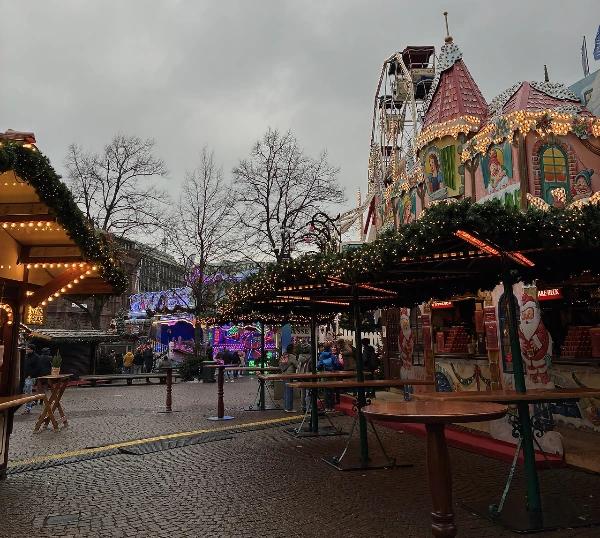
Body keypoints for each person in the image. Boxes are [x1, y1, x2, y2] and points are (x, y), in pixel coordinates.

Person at [317, 344, 340, 411]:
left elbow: (319, 366)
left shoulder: (321, 356)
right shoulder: (332, 355)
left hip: (324, 374)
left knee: (326, 390)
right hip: (332, 373)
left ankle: (326, 406)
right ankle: (332, 406)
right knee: (332, 390)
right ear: (330, 348)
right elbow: (336, 364)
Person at [279, 344, 298, 412]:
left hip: (284, 374)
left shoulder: (284, 355)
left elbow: (280, 365)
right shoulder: (292, 356)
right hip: (289, 374)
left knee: (286, 391)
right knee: (289, 391)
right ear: (292, 349)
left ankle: (286, 406)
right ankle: (289, 408)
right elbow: (297, 365)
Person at [22, 343, 40, 414]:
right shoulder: (26, 357)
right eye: (27, 349)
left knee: (28, 392)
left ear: (32, 350)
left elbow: (38, 368)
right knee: (25, 391)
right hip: (24, 376)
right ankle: (31, 402)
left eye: (28, 349)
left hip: (30, 377)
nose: (27, 350)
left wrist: (31, 375)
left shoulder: (36, 357)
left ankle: (28, 408)